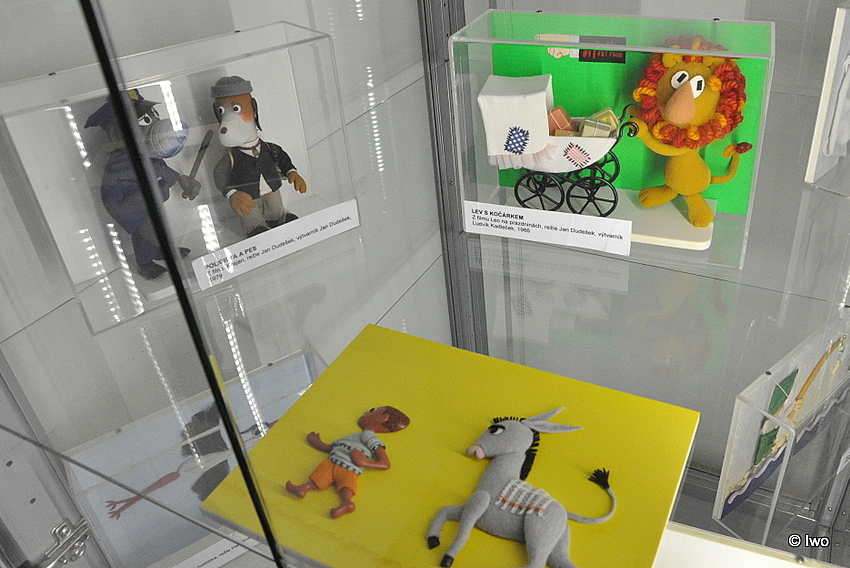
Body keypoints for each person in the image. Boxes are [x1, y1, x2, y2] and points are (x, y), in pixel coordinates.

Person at [285, 406, 410, 518]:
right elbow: (333, 448)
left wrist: (362, 462)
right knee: (320, 476)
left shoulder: (370, 437)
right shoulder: (355, 435)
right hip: (332, 462)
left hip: (349, 468)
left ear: (383, 417)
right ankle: (304, 488)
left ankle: (346, 503)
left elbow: (385, 463)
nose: (366, 412)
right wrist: (317, 443)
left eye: (373, 410)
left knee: (346, 485)